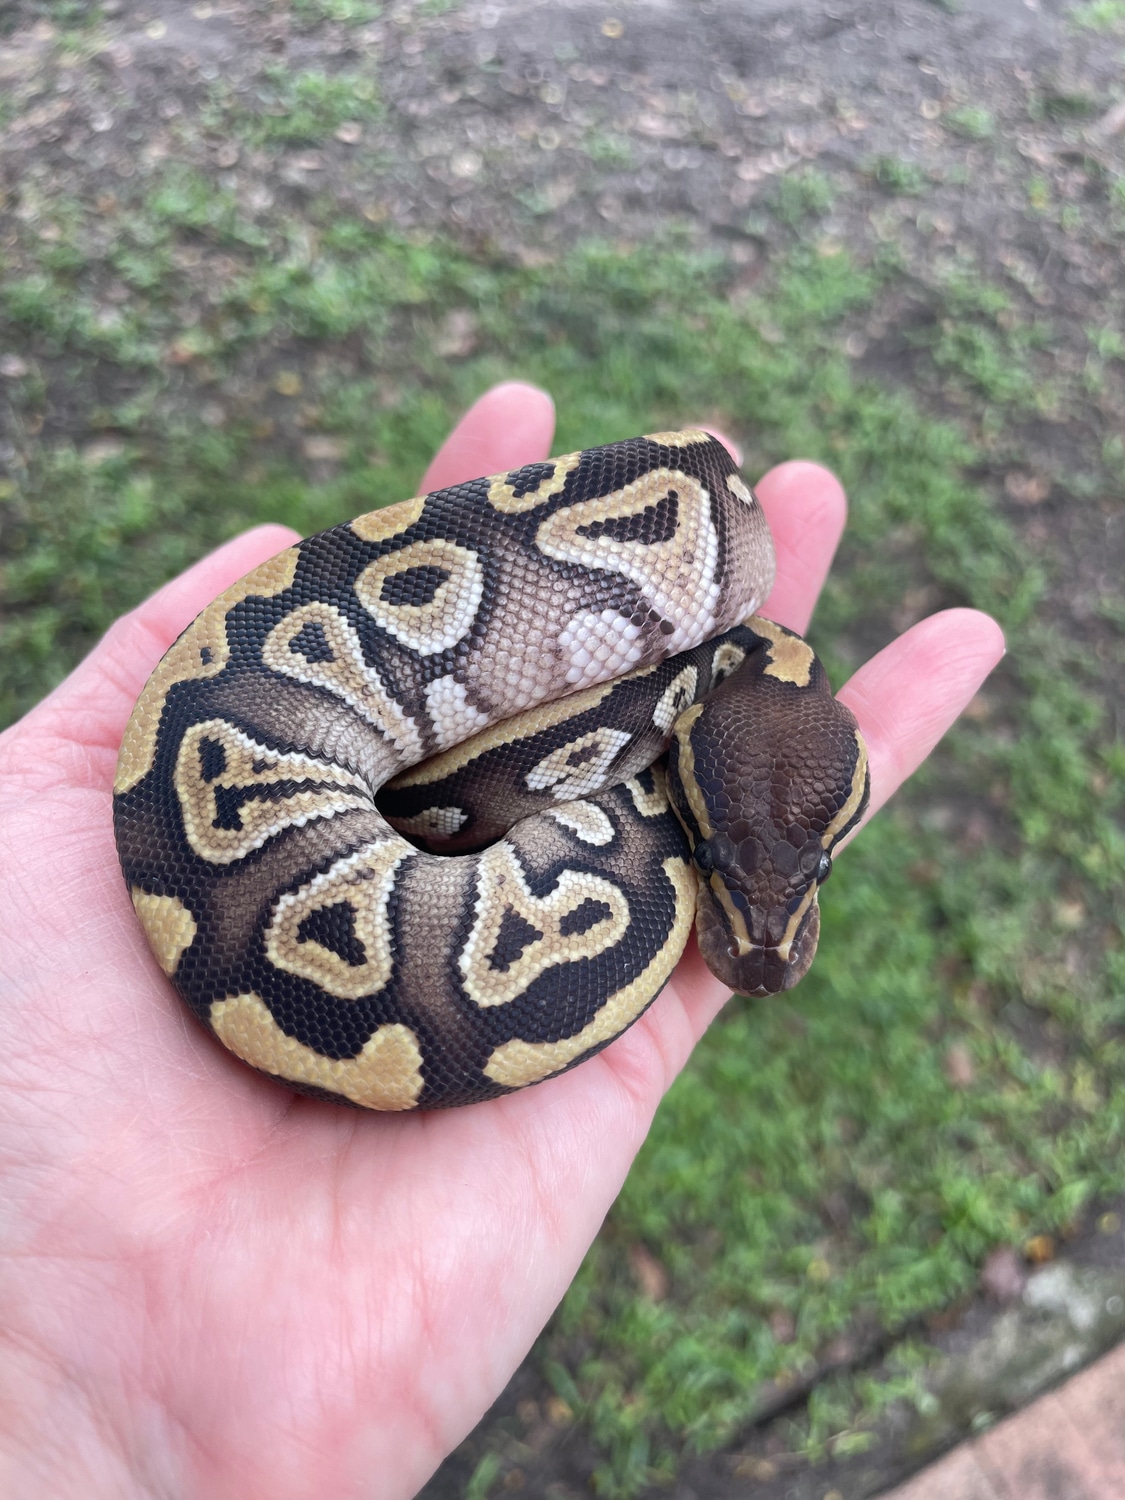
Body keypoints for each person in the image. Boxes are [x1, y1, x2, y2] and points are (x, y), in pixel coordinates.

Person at [0, 382, 1004, 1498]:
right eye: (724, 872)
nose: (762, 944)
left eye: (800, 875)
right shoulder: (696, 721)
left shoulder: (701, 734)